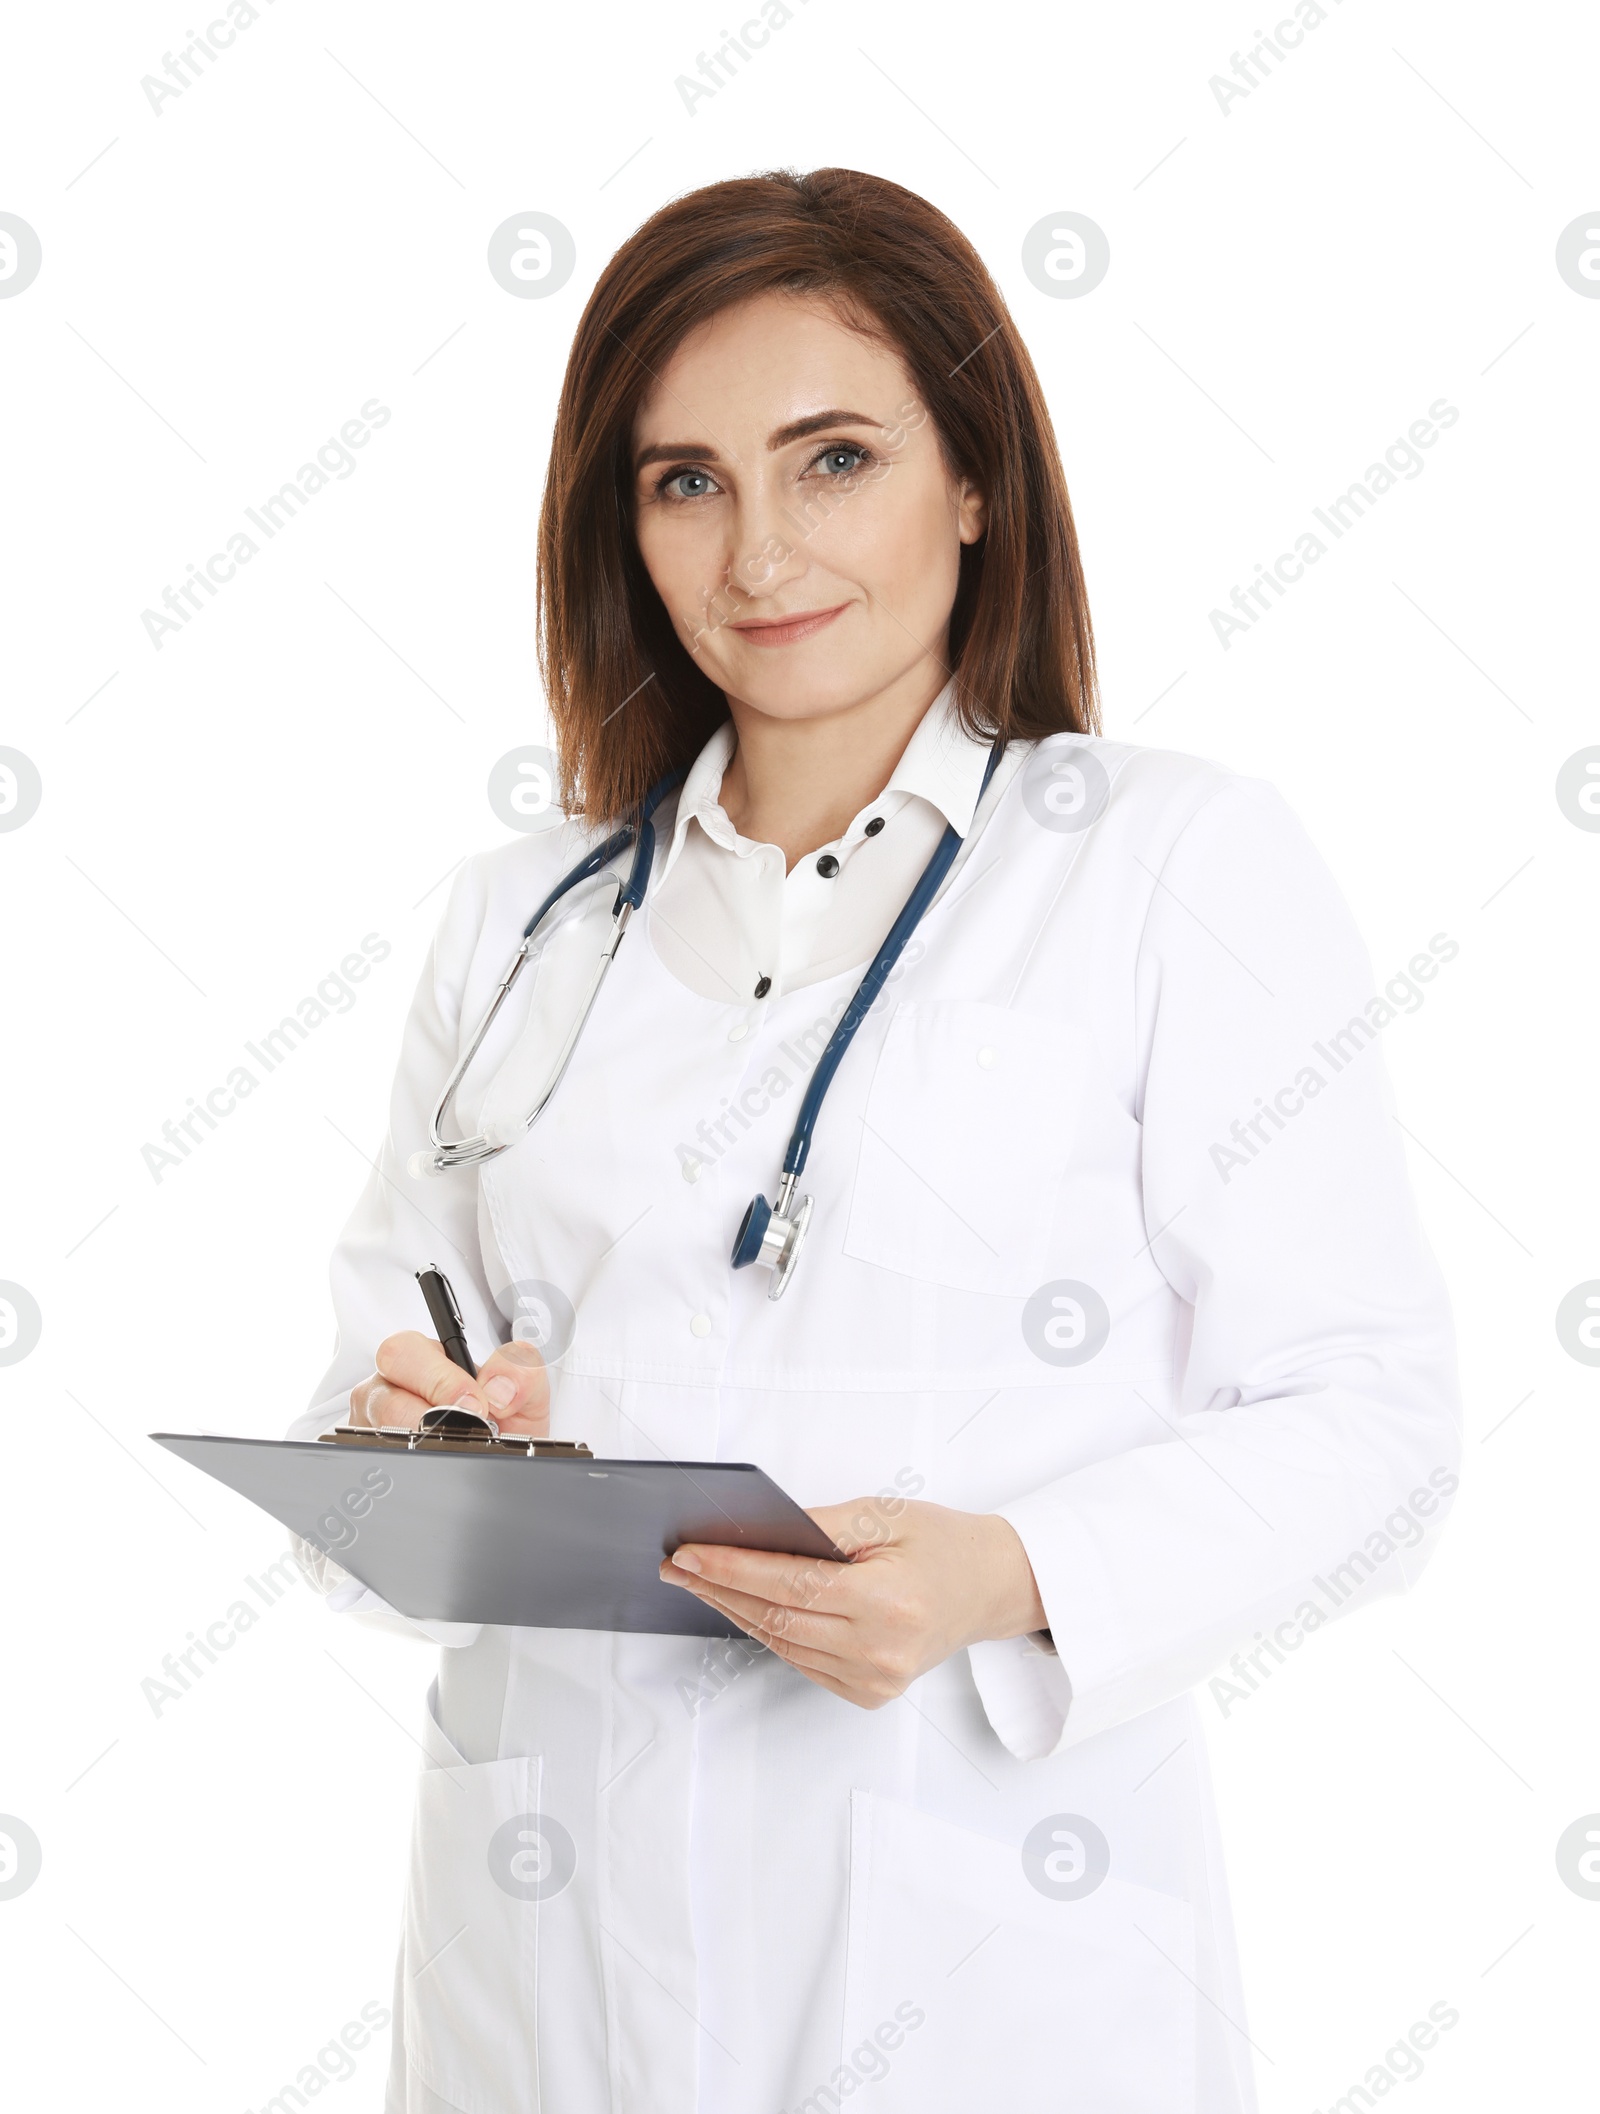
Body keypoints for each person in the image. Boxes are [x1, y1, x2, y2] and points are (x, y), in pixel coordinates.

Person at [287, 166, 1460, 2113]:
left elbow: (1373, 1421)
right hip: (546, 1963)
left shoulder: (1165, 863)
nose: (758, 549)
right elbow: (366, 1410)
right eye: (683, 479)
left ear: (974, 477)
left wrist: (1008, 1571)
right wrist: (409, 1446)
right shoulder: (517, 920)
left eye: (831, 458)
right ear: (621, 522)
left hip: (980, 1953)